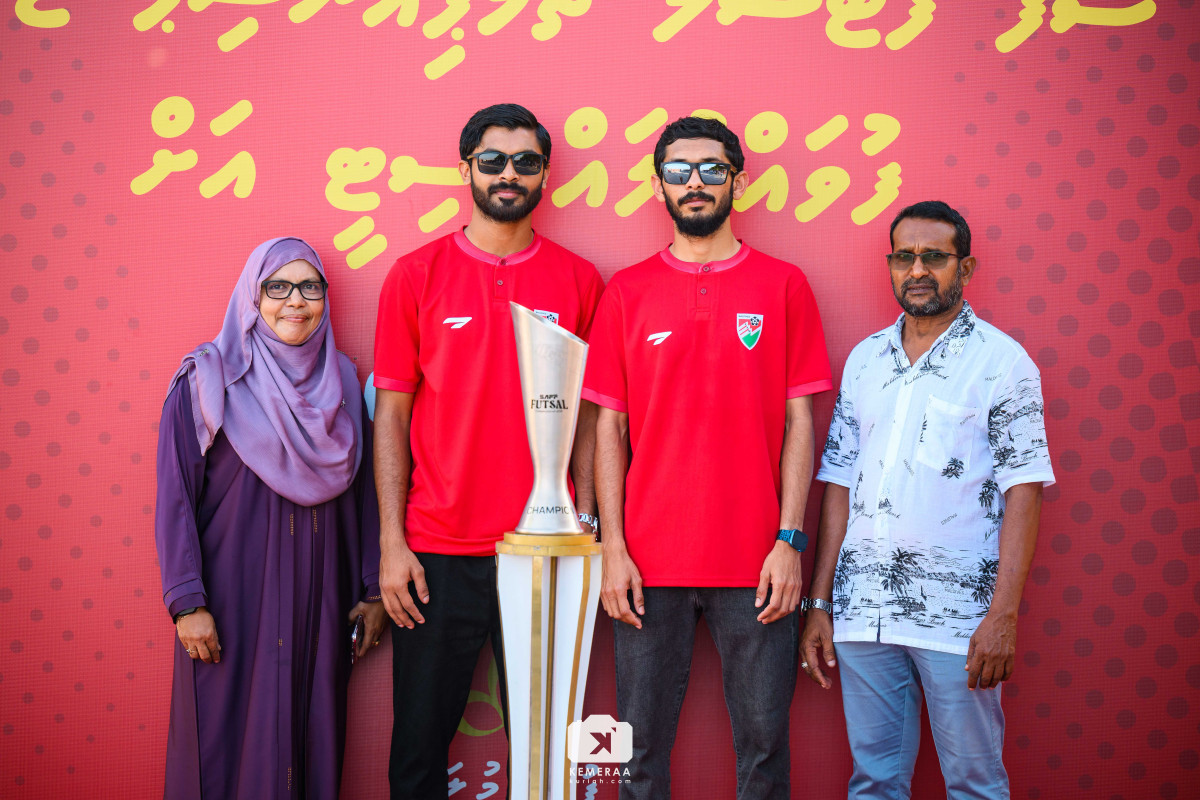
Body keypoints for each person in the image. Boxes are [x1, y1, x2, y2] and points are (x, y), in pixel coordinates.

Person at [584, 116, 832, 800]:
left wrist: (789, 541)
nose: (695, 182)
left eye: (712, 169)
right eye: (679, 170)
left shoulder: (784, 285)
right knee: (636, 756)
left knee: (764, 752)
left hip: (758, 565)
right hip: (646, 566)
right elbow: (609, 430)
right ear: (658, 185)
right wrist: (612, 549)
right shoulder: (626, 290)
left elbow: (799, 423)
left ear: (738, 182)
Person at [372, 103, 605, 799]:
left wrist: (585, 523)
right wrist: (392, 543)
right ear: (466, 168)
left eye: (525, 162)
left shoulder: (580, 279)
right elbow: (392, 415)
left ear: (545, 175)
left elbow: (591, 420)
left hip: (545, 548)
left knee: (547, 756)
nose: (509, 174)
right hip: (436, 551)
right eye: (493, 160)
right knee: (417, 749)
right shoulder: (415, 274)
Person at [800, 200, 1055, 799]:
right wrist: (820, 602)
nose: (916, 270)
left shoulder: (1002, 363)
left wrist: (1003, 616)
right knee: (874, 781)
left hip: (957, 620)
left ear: (965, 267)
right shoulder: (865, 360)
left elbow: (1024, 491)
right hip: (863, 611)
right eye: (903, 257)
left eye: (933, 257)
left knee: (974, 783)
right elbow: (839, 484)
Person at [155, 237, 386, 800]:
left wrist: (373, 590)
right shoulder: (207, 379)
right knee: (225, 746)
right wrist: (187, 603)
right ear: (252, 298)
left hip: (320, 601)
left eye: (310, 287)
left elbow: (366, 494)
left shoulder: (342, 384)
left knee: (310, 739)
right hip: (232, 604)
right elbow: (176, 495)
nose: (295, 301)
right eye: (277, 287)